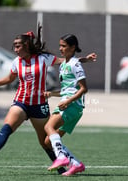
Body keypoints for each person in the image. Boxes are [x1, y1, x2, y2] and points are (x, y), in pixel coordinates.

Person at [0, 26, 96, 174]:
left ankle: (63, 167)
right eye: (14, 46)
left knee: (45, 142)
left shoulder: (43, 58)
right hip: (21, 102)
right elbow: (9, 79)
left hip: (39, 105)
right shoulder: (16, 62)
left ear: (26, 45)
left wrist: (85, 60)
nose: (15, 49)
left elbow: (66, 61)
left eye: (17, 46)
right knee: (8, 125)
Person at [43, 34, 88, 176]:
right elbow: (66, 89)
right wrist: (52, 94)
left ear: (73, 47)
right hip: (70, 105)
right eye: (60, 45)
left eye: (64, 46)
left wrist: (68, 101)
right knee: (48, 141)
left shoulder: (75, 64)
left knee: (48, 127)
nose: (60, 48)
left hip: (71, 105)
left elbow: (83, 88)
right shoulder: (63, 65)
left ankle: (62, 158)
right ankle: (76, 164)